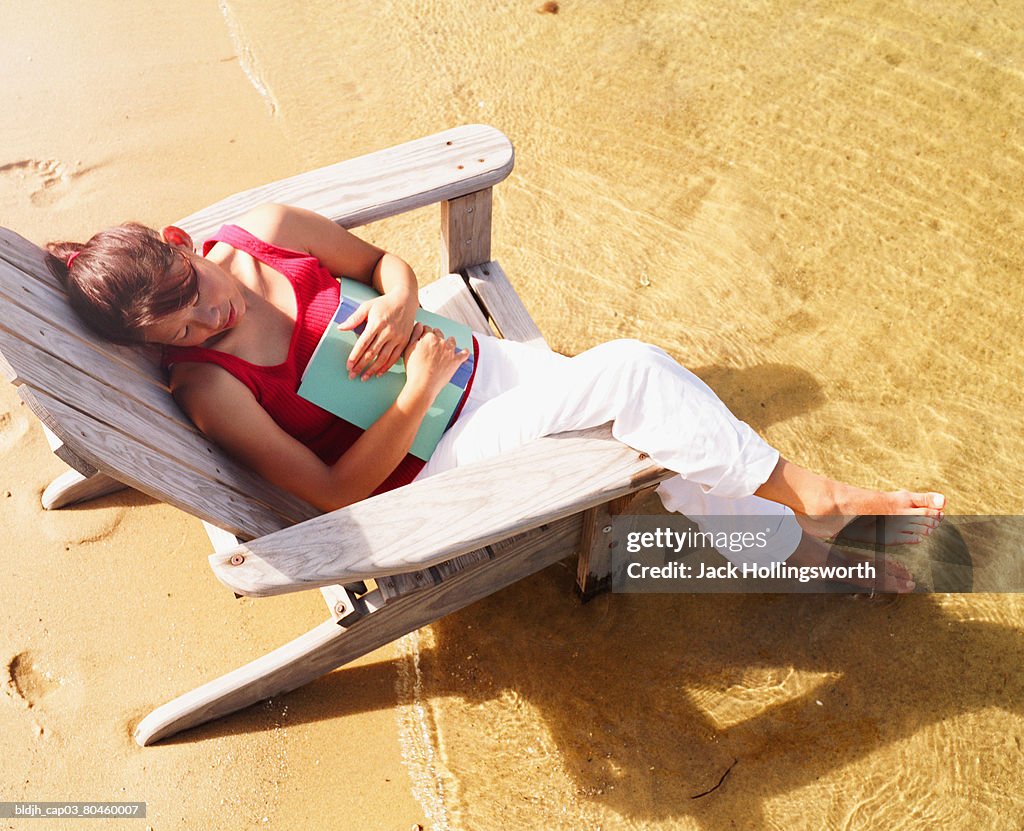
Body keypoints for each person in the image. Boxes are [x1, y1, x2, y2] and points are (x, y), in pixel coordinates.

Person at [47, 203, 945, 591]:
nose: (216, 313)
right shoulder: (211, 391)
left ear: (182, 244)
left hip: (481, 366)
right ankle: (815, 499)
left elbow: (382, 265)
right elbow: (327, 495)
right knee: (632, 373)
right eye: (190, 331)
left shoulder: (264, 235)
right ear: (160, 348)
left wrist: (400, 299)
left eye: (199, 286)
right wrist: (414, 396)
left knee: (656, 420)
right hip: (431, 459)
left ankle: (790, 549)